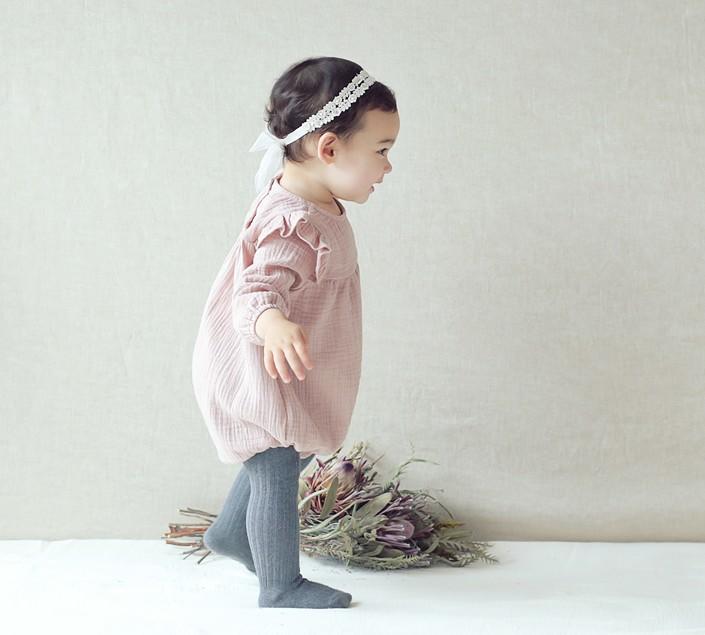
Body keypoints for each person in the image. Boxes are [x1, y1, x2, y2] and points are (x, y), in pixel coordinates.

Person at [191, 56, 399, 609]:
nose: (388, 166)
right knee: (277, 464)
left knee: (287, 454)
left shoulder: (313, 200)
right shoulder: (295, 221)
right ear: (328, 148)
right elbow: (256, 290)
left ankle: (231, 534)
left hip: (289, 366)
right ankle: (280, 584)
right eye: (381, 150)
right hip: (257, 365)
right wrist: (273, 322)